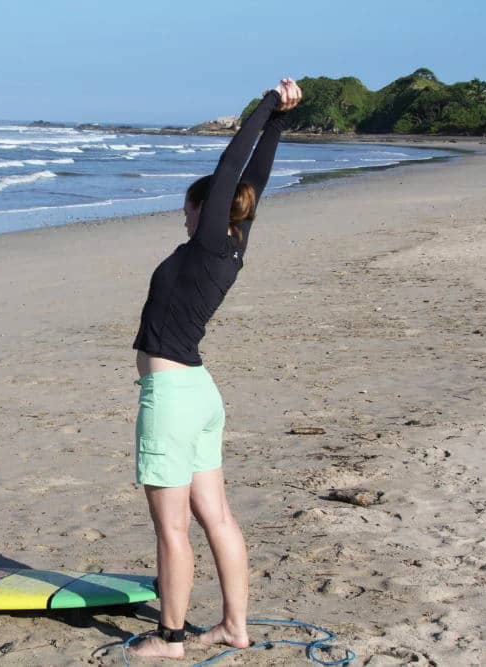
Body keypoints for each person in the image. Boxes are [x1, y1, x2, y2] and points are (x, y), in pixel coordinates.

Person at [127, 77, 302, 660]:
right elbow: (255, 179)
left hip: (173, 398)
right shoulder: (234, 245)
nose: (182, 215)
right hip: (199, 393)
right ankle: (234, 627)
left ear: (204, 211)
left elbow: (232, 165)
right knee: (217, 518)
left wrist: (268, 104)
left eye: (187, 207)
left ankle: (171, 639)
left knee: (173, 530)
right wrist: (278, 125)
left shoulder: (207, 246)